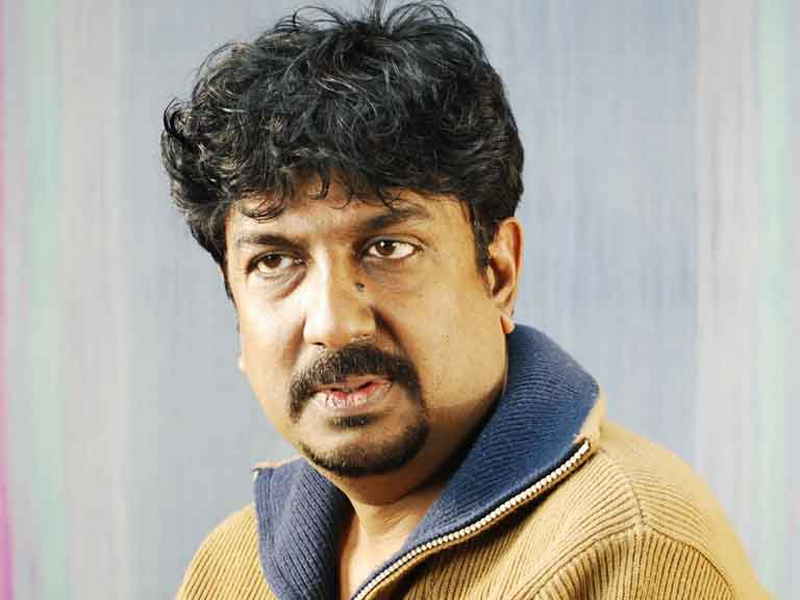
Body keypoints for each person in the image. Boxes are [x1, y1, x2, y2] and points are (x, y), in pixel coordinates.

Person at [161, 2, 768, 598]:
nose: (334, 323)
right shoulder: (232, 565)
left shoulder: (630, 548)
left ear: (498, 273)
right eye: (274, 261)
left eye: (389, 248)